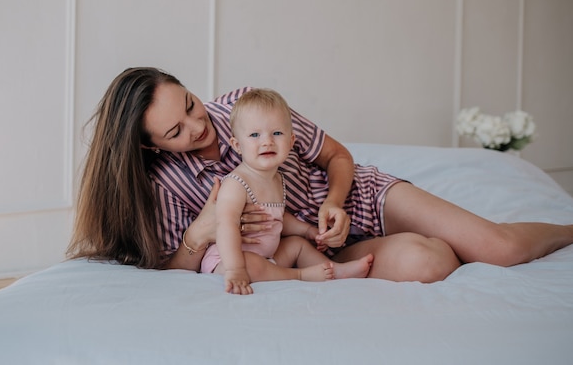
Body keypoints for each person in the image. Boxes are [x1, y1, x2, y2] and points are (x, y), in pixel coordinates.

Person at [67, 67, 573, 283]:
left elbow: (338, 155)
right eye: (176, 131)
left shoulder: (244, 107)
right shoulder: (161, 187)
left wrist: (336, 199)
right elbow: (175, 270)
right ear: (147, 146)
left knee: (499, 249)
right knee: (431, 263)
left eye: (192, 105)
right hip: (314, 249)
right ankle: (433, 240)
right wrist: (200, 234)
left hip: (361, 200)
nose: (198, 126)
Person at [203, 88, 373, 294]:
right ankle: (300, 275)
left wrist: (307, 231)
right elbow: (225, 225)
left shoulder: (277, 179)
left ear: (291, 142)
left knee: (296, 245)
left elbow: (278, 217)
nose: (267, 141)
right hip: (227, 260)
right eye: (255, 135)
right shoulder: (236, 184)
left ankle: (335, 270)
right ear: (237, 145)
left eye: (276, 133)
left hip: (268, 257)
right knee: (253, 265)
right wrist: (235, 269)